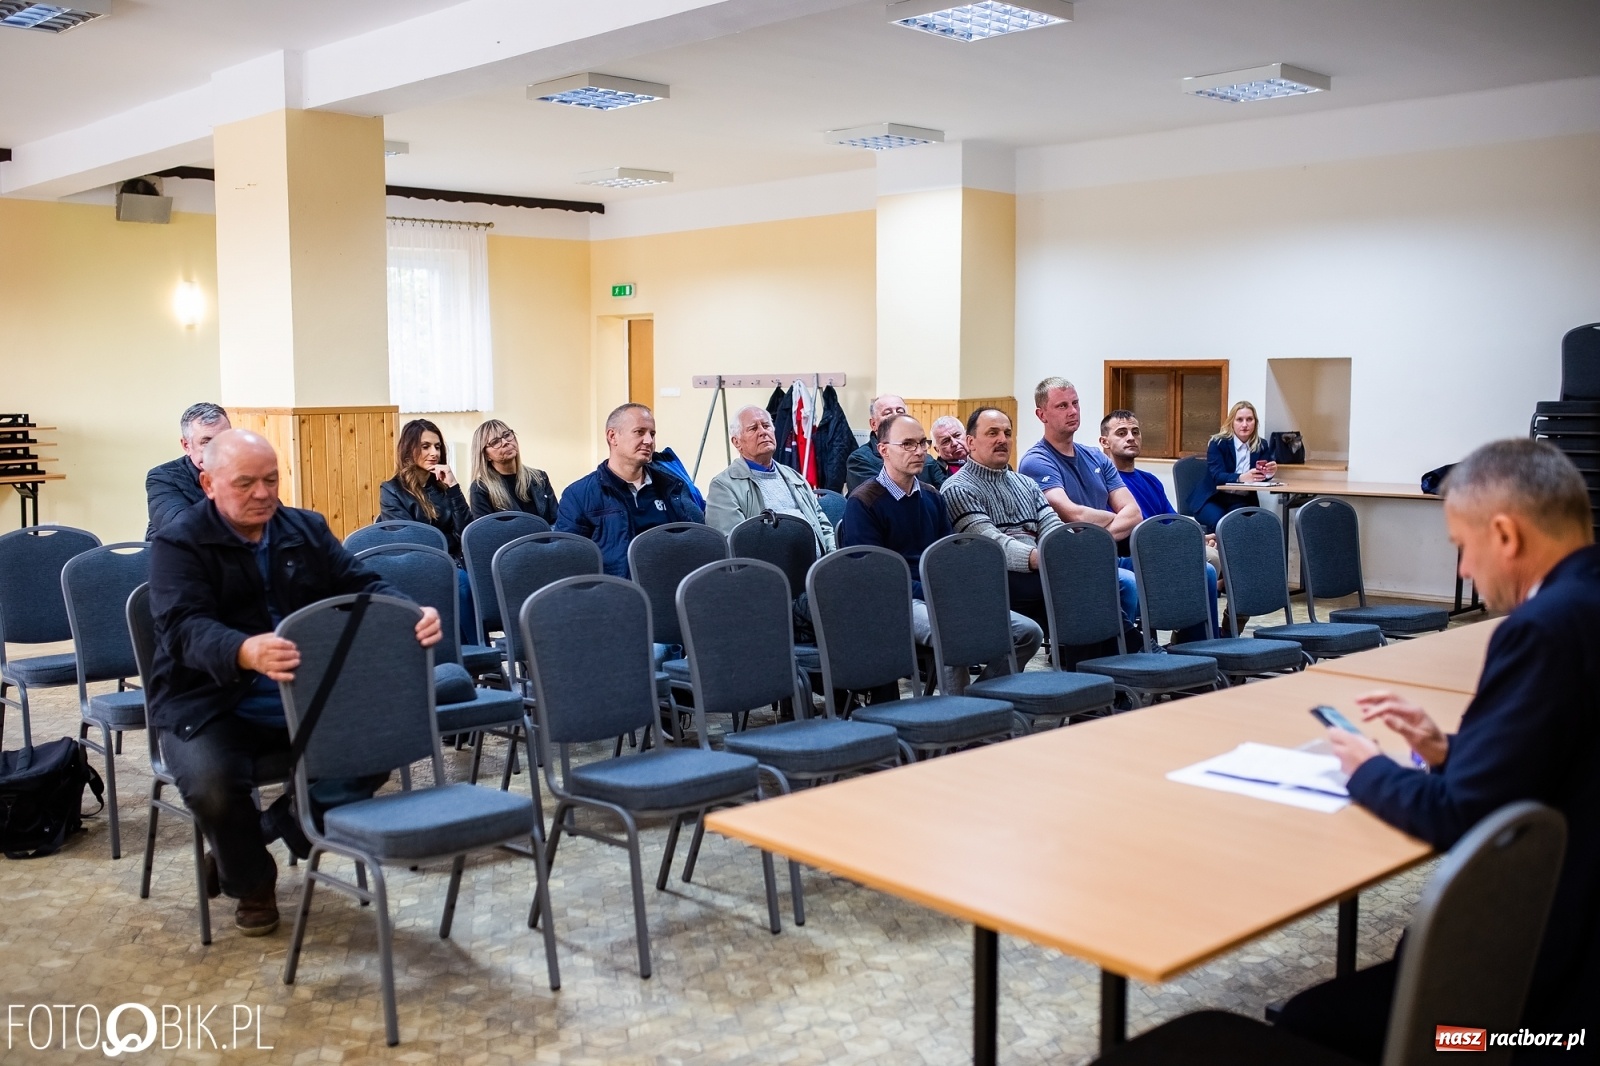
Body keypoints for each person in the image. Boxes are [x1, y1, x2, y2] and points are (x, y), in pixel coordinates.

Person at [1286, 439, 1599, 1061]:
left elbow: (1458, 814)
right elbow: (1550, 754)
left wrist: (1366, 768)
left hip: (1536, 1013)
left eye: (1463, 547)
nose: (1463, 572)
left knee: (1305, 1019)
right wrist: (1445, 748)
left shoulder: (1542, 628)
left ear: (1505, 534)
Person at [147, 430, 442, 936]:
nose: (263, 494)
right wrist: (243, 649)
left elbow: (361, 584)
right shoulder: (178, 542)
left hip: (302, 689)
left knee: (381, 740)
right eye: (245, 483)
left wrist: (409, 612)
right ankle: (252, 881)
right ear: (209, 483)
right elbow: (182, 626)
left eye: (270, 480)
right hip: (208, 698)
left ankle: (267, 831)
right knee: (214, 786)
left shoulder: (303, 528)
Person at [841, 412, 1043, 695]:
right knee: (953, 629)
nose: (920, 451)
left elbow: (949, 555)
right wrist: (935, 593)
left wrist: (959, 590)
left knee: (1028, 632)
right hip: (895, 600)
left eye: (922, 443)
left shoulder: (932, 496)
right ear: (884, 449)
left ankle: (981, 699)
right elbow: (873, 576)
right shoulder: (863, 502)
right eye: (908, 444)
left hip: (939, 594)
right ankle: (959, 723)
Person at [1018, 378, 1142, 627]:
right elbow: (1072, 515)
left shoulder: (1096, 456)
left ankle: (1191, 645)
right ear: (1041, 414)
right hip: (1070, 559)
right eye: (1062, 406)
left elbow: (1134, 512)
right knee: (1127, 582)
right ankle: (1122, 652)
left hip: (1107, 553)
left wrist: (1097, 535)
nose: (1073, 411)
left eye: (1075, 403)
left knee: (1199, 571)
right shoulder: (1036, 461)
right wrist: (1111, 519)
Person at [1100, 410, 1223, 630]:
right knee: (1207, 567)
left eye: (1135, 432)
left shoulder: (1151, 480)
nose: (1131, 437)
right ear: (1104, 442)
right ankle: (1196, 636)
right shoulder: (1103, 484)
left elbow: (1172, 522)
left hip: (1163, 549)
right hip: (1131, 554)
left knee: (1212, 554)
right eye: (1121, 432)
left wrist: (1196, 538)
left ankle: (1200, 639)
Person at [939, 407, 1059, 626]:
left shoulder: (1026, 483)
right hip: (997, 576)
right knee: (1074, 585)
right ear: (970, 442)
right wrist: (1040, 558)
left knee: (1093, 578)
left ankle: (1103, 650)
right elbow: (991, 544)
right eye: (992, 433)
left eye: (1007, 433)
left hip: (1041, 568)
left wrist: (1063, 550)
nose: (1002, 439)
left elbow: (1052, 525)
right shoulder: (957, 489)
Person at [556, 403, 704, 578]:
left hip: (669, 588)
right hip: (616, 595)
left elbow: (692, 542)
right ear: (613, 436)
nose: (649, 441)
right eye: (639, 432)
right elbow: (567, 562)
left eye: (652, 434)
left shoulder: (671, 487)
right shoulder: (578, 495)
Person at [380, 418, 475, 645]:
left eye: (438, 446)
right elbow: (406, 538)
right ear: (409, 448)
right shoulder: (392, 490)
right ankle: (476, 651)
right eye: (425, 446)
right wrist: (449, 543)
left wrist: (453, 488)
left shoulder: (442, 486)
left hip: (454, 561)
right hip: (418, 564)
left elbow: (467, 531)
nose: (434, 453)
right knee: (462, 582)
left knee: (472, 580)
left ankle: (468, 652)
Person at [706, 405, 836, 551]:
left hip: (816, 568)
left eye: (766, 426)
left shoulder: (794, 477)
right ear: (737, 442)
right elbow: (735, 544)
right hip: (769, 571)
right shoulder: (724, 487)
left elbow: (822, 524)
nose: (763, 432)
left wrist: (831, 561)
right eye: (753, 428)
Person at [1187, 399, 1276, 532]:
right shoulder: (1218, 443)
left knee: (1238, 524)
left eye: (1249, 419)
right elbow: (1217, 476)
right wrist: (1241, 477)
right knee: (1220, 521)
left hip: (1241, 499)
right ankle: (1217, 553)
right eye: (1239, 419)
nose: (1245, 424)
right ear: (1231, 423)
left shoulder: (1261, 445)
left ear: (1255, 422)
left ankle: (1236, 553)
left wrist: (1269, 472)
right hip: (1212, 498)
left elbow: (1260, 477)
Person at [145, 402, 230, 538]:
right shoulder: (162, 478)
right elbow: (183, 529)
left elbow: (275, 523)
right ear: (186, 446)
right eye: (206, 442)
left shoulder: (247, 471)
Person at [844, 394, 941, 492]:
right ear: (874, 424)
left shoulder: (925, 458)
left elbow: (944, 494)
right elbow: (879, 498)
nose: (896, 416)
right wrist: (929, 491)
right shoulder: (860, 460)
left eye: (900, 412)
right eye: (887, 413)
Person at [467, 419, 558, 523]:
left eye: (507, 435)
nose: (505, 442)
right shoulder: (481, 488)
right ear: (486, 455)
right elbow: (485, 533)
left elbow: (557, 521)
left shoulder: (540, 478)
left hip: (545, 538)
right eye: (495, 442)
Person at [928, 415, 968, 482]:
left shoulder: (984, 460)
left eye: (957, 435)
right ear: (937, 450)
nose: (954, 443)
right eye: (946, 441)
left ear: (966, 435)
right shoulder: (933, 473)